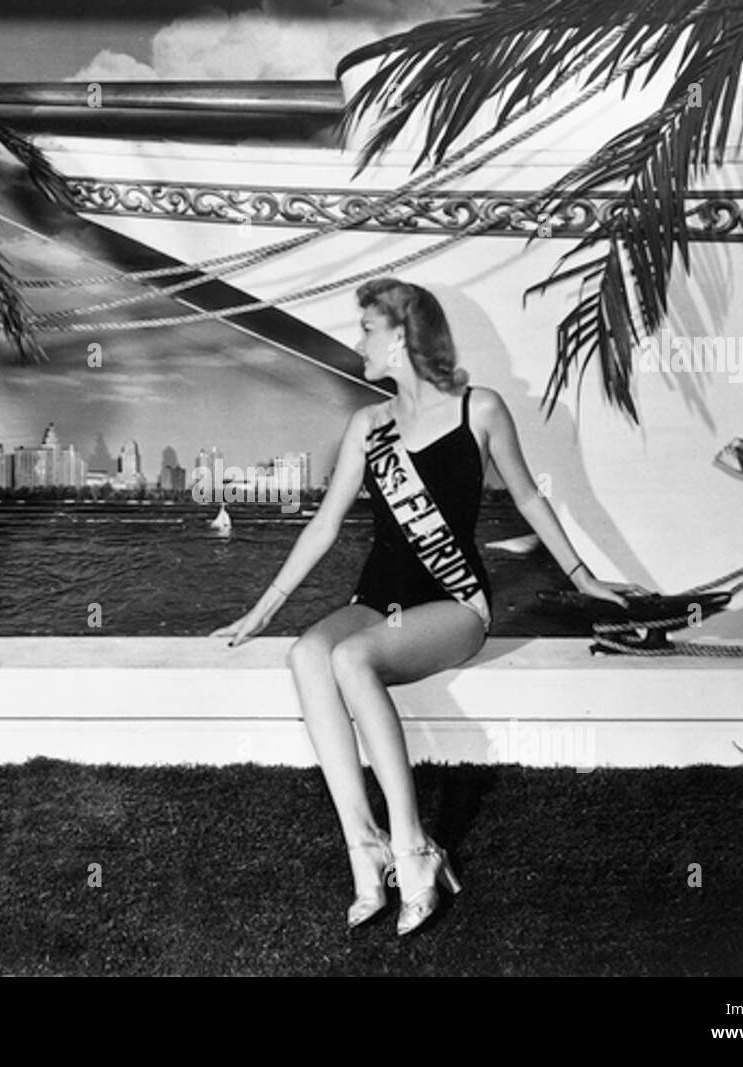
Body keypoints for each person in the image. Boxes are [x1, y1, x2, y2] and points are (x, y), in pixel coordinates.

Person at [212, 278, 645, 934]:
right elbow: (324, 526)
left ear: (402, 338)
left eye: (367, 329)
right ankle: (366, 847)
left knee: (353, 659)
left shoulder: (481, 409)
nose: (358, 341)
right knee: (308, 654)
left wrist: (585, 577)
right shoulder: (369, 426)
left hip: (454, 603)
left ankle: (414, 847)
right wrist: (263, 609)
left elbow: (530, 498)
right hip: (378, 597)